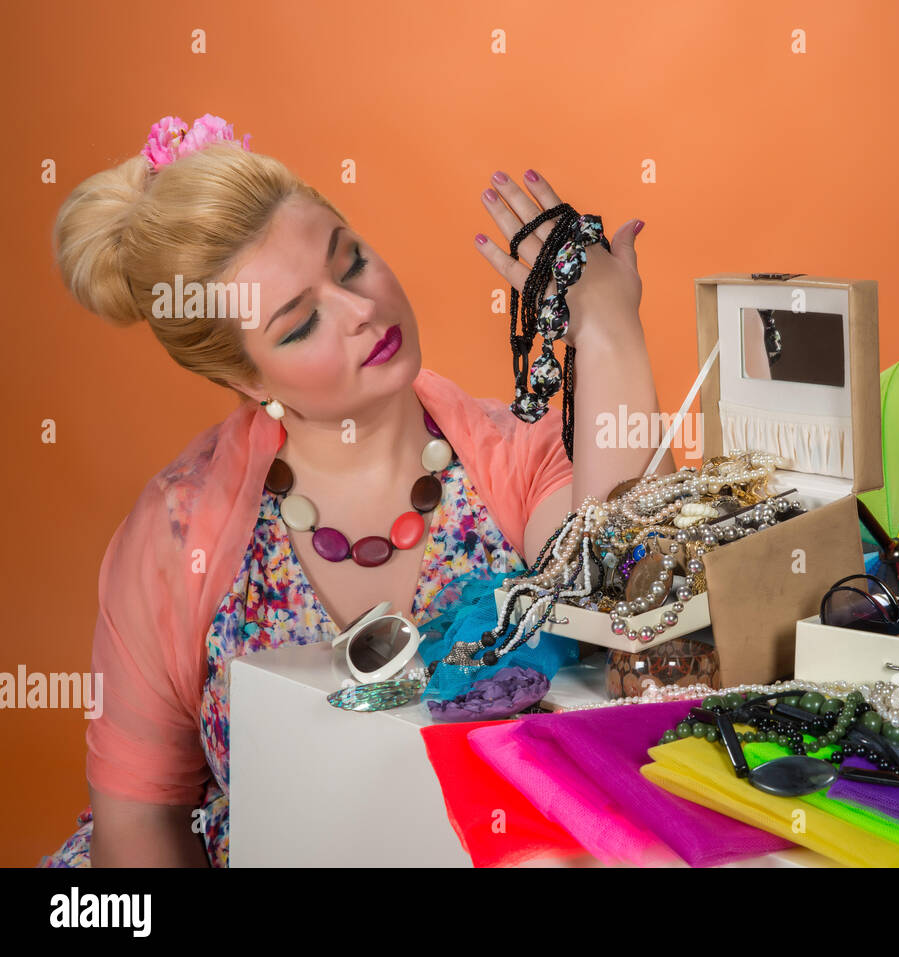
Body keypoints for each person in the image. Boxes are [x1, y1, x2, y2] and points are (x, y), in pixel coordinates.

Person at [39, 115, 667, 867]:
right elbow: (138, 826)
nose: (362, 310)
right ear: (247, 379)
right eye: (301, 323)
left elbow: (634, 592)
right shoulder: (178, 534)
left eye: (353, 261)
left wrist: (605, 326)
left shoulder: (516, 453)